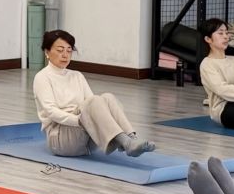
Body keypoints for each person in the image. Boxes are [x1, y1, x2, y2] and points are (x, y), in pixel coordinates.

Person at [33, 29, 154, 157]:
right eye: (60, 50)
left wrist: (87, 120)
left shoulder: (77, 75)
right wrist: (80, 121)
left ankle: (131, 138)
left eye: (69, 51)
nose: (65, 55)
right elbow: (51, 112)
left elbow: (94, 104)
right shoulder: (42, 77)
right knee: (94, 101)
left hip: (86, 135)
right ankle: (126, 142)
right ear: (47, 52)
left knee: (107, 98)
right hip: (61, 139)